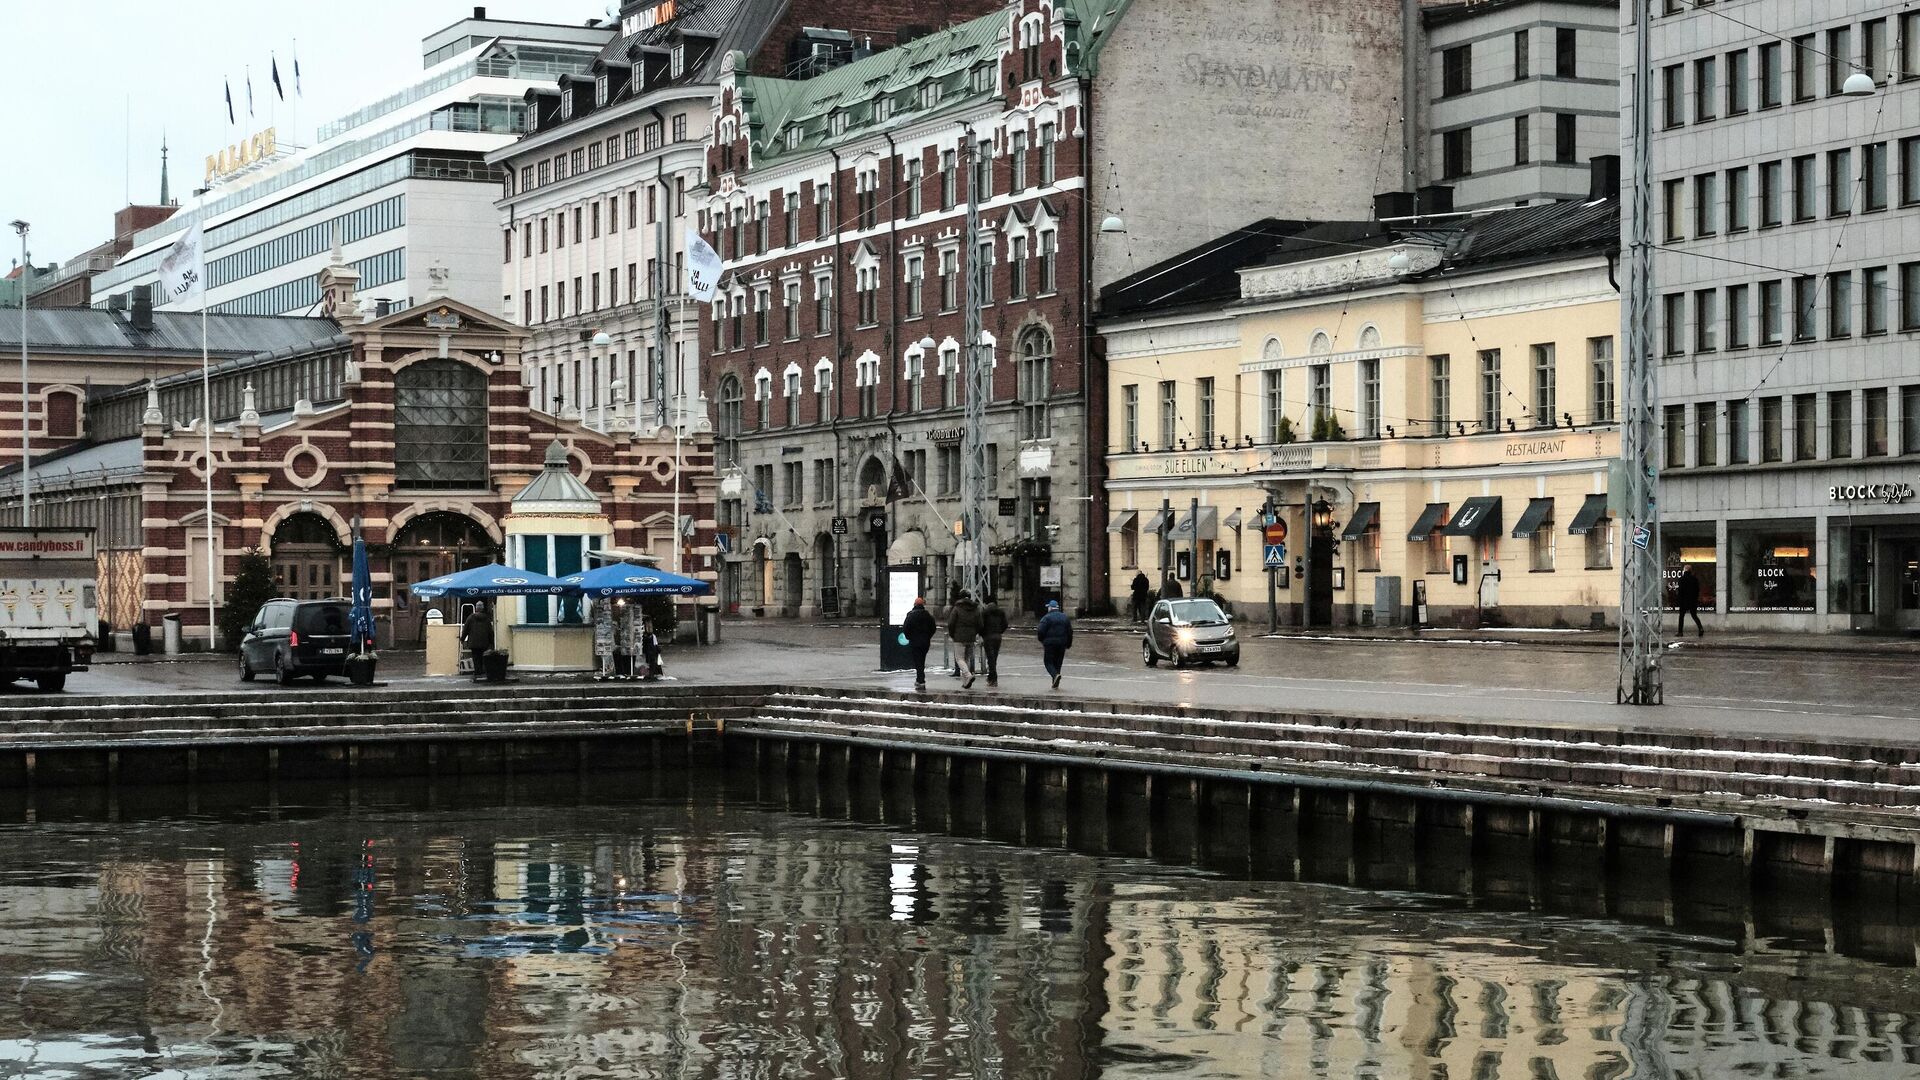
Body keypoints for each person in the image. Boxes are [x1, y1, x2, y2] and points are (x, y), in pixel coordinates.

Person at [946, 590, 983, 689]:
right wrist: (975, 633)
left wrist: (952, 634)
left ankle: (968, 675)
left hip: (959, 637)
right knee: (966, 659)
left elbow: (951, 623)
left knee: (959, 659)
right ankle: (966, 682)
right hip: (971, 638)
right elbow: (980, 624)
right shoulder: (975, 609)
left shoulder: (957, 608)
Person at [1036, 599, 1073, 689]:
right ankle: (1055, 682)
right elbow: (1070, 632)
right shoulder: (1065, 617)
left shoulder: (1046, 618)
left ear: (1050, 608)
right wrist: (1068, 643)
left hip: (1050, 644)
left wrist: (1042, 640)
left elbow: (1040, 630)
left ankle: (1055, 675)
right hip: (1062, 643)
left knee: (1048, 662)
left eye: (1048, 607)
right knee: (1058, 662)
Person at [902, 597, 937, 690]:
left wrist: (909, 637)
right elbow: (933, 628)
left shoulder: (911, 615)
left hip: (915, 642)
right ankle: (920, 679)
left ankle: (921, 680)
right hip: (925, 642)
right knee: (922, 659)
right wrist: (928, 636)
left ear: (914, 605)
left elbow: (906, 628)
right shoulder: (928, 616)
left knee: (917, 661)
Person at [979, 596, 1009, 687]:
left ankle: (993, 678)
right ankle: (991, 677)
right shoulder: (1000, 612)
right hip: (998, 636)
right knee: (994, 658)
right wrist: (1000, 631)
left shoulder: (985, 612)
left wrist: (982, 634)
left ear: (986, 603)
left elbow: (981, 625)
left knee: (990, 658)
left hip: (988, 637)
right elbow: (1005, 624)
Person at [460, 600, 493, 682]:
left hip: (473, 642)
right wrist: (491, 642)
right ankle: (482, 671)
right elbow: (490, 631)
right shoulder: (486, 618)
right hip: (484, 642)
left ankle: (477, 671)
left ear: (476, 608)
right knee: (483, 657)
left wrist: (462, 639)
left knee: (475, 657)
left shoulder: (470, 618)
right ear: (483, 608)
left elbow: (465, 629)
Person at [1675, 565, 1704, 638]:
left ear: (1684, 570)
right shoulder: (1695, 579)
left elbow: (1680, 591)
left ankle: (1680, 632)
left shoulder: (1681, 579)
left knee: (1681, 616)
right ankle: (1700, 628)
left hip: (1684, 601)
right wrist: (1696, 599)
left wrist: (1678, 600)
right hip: (1692, 601)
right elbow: (1697, 590)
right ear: (1690, 571)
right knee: (1694, 615)